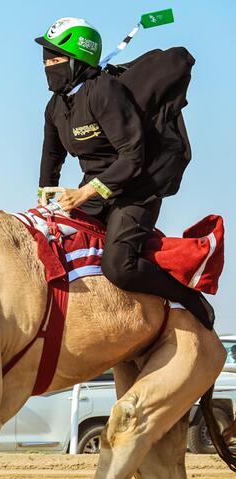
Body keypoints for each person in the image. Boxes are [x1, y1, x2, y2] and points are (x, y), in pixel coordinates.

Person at [35, 17, 214, 329]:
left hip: (136, 190)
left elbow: (133, 156)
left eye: (56, 59)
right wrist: (43, 199)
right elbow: (51, 156)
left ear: (78, 59)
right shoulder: (55, 107)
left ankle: (189, 298)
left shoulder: (103, 92)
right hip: (92, 190)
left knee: (119, 268)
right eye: (46, 59)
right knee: (49, 242)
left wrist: (86, 193)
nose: (48, 65)